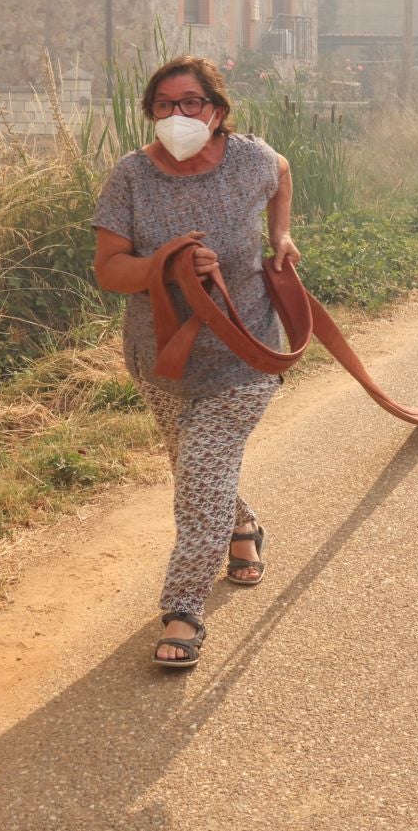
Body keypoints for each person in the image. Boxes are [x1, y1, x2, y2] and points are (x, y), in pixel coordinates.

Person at [91, 56, 302, 669]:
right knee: (196, 472)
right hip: (163, 360)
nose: (177, 115)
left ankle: (184, 610)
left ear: (217, 110)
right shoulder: (129, 178)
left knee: (200, 478)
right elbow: (109, 271)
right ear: (149, 113)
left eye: (190, 103)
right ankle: (241, 528)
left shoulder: (251, 161)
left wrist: (281, 234)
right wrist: (166, 261)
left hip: (244, 354)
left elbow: (283, 173)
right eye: (163, 105)